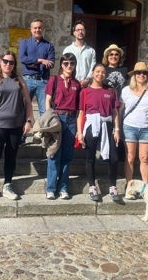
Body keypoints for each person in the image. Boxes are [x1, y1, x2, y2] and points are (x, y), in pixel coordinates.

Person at [0, 50, 34, 202]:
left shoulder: (20, 80)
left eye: (11, 62)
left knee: (11, 156)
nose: (8, 64)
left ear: (14, 65)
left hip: (16, 126)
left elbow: (28, 102)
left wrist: (29, 121)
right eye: (5, 61)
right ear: (0, 62)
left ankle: (7, 185)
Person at [76, 63, 123, 203]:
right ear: (92, 73)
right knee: (90, 157)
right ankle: (92, 187)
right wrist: (79, 132)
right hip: (92, 125)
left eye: (103, 72)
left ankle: (113, 186)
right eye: (97, 71)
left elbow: (114, 112)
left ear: (105, 74)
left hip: (107, 125)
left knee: (113, 158)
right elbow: (81, 113)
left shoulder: (110, 91)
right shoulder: (85, 91)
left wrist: (117, 130)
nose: (100, 74)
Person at [120, 61, 148, 200]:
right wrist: (117, 128)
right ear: (134, 75)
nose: (141, 75)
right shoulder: (126, 90)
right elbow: (120, 111)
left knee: (144, 158)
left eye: (144, 73)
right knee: (130, 158)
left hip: (146, 128)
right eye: (138, 73)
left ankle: (146, 188)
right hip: (129, 127)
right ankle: (130, 187)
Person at [44, 53, 81, 200]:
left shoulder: (77, 84)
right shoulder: (54, 80)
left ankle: (63, 187)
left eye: (72, 63)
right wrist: (50, 118)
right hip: (56, 118)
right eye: (66, 63)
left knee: (67, 157)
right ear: (61, 65)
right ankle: (51, 188)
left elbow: (79, 109)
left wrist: (78, 129)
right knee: (53, 154)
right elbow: (48, 100)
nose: (69, 66)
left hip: (71, 120)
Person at [19, 18, 55, 115]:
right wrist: (40, 60)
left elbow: (51, 63)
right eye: (35, 28)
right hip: (27, 80)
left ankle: (42, 130)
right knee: (23, 108)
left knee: (44, 111)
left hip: (43, 81)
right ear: (31, 30)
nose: (37, 30)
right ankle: (22, 130)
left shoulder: (49, 46)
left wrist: (31, 63)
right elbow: (22, 59)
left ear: (43, 29)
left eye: (40, 28)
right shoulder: (24, 43)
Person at [102, 43, 129, 161]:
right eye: (111, 54)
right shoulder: (104, 70)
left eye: (116, 54)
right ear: (107, 57)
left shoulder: (125, 70)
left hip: (122, 104)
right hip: (108, 104)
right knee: (109, 129)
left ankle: (121, 156)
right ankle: (108, 155)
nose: (113, 56)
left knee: (121, 129)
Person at [63, 20, 96, 87]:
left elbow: (93, 68)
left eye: (82, 30)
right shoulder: (68, 50)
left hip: (86, 85)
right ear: (74, 32)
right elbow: (64, 66)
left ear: (85, 32)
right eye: (78, 30)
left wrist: (87, 80)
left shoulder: (91, 51)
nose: (80, 32)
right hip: (71, 83)